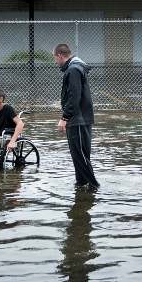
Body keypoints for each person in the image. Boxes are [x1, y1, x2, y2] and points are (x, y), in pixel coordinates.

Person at [53, 43, 99, 189]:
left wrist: (64, 118)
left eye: (55, 58)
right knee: (79, 155)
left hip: (77, 119)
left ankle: (94, 186)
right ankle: (81, 183)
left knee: (80, 155)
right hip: (80, 118)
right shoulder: (76, 68)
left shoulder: (73, 70)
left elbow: (74, 96)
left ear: (60, 55)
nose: (55, 61)